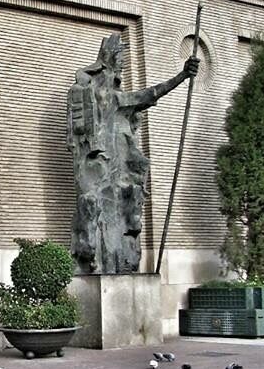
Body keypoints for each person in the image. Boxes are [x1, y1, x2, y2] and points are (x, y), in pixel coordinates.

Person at [67, 33, 198, 274]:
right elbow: (143, 96)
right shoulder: (93, 89)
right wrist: (180, 77)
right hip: (97, 165)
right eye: (120, 56)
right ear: (109, 58)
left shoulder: (115, 94)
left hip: (117, 168)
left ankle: (121, 263)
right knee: (92, 207)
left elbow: (146, 96)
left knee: (128, 208)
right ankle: (92, 260)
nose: (124, 61)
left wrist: (181, 77)